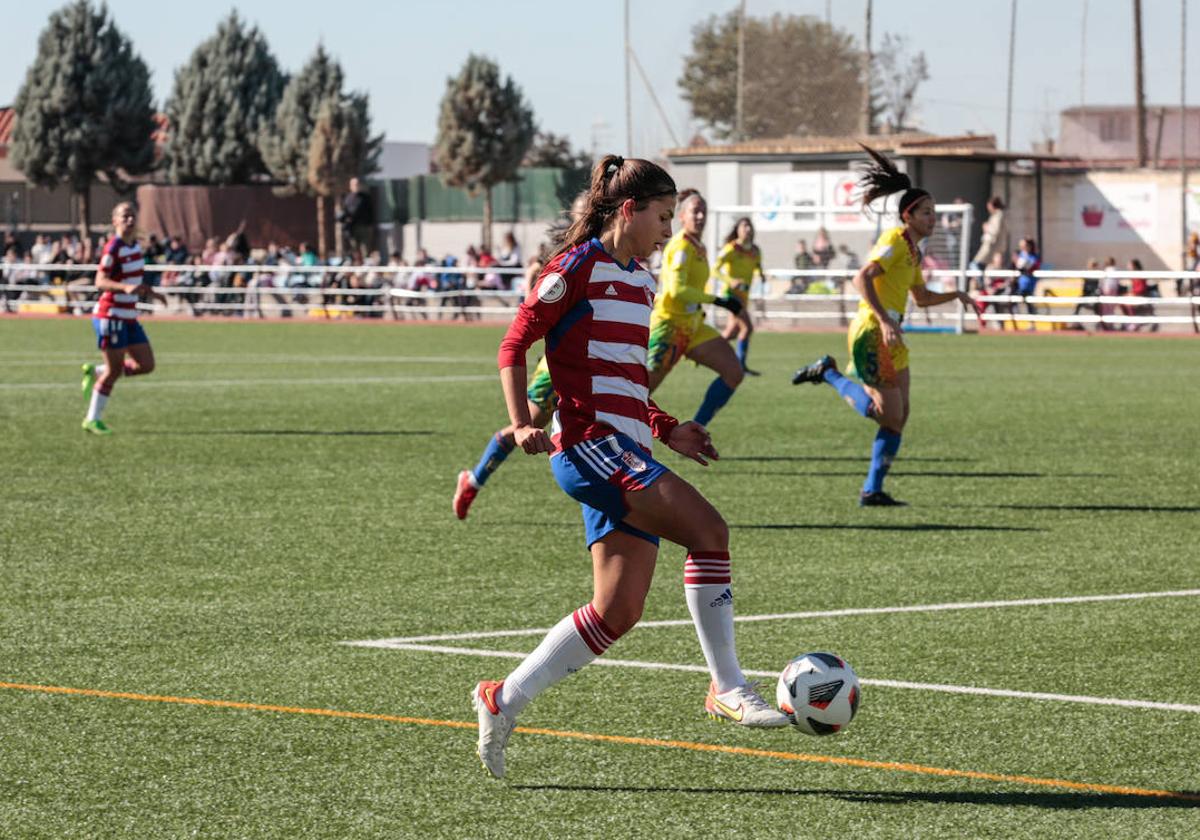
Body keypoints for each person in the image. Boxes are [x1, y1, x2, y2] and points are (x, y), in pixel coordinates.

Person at [471, 156, 787, 780]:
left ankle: (501, 698)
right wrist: (522, 422)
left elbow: (623, 381)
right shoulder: (574, 268)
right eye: (663, 217)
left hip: (629, 449)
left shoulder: (641, 281)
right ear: (628, 211)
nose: (668, 232)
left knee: (618, 610)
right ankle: (726, 686)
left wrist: (669, 430)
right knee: (710, 533)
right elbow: (514, 344)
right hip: (589, 447)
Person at [791, 145, 974, 506]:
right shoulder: (893, 240)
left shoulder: (913, 251)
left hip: (893, 334)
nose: (932, 219)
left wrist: (955, 295)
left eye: (933, 212)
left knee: (899, 417)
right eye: (926, 212)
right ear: (908, 215)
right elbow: (863, 278)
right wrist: (884, 318)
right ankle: (828, 373)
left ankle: (872, 490)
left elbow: (919, 297)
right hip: (873, 331)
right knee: (886, 415)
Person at [646, 189, 745, 427]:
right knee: (640, 392)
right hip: (669, 327)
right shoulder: (681, 246)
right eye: (695, 211)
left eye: (703, 211)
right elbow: (676, 291)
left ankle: (697, 429)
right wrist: (719, 301)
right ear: (682, 216)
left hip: (693, 326)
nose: (700, 216)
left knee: (734, 372)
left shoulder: (697, 246)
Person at [79, 202, 164, 435]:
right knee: (114, 371)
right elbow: (100, 282)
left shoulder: (135, 246)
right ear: (114, 220)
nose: (129, 220)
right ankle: (92, 419)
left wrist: (150, 291)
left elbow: (134, 281)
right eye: (124, 216)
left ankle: (97, 371)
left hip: (129, 317)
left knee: (146, 365)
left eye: (132, 216)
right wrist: (124, 287)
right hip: (111, 315)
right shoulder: (113, 248)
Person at [713, 217, 765, 375]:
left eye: (749, 226)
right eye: (744, 226)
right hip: (730, 294)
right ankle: (740, 366)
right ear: (738, 229)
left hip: (744, 296)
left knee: (732, 332)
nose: (747, 229)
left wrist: (761, 274)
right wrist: (730, 280)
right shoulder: (731, 248)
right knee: (747, 327)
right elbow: (714, 270)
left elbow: (757, 266)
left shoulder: (755, 250)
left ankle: (704, 350)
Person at [338, 177, 374, 255]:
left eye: (357, 184)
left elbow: (370, 212)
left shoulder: (365, 197)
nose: (356, 186)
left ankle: (366, 263)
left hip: (364, 226)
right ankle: (358, 263)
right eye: (354, 184)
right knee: (355, 248)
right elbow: (345, 211)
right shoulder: (348, 198)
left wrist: (370, 225)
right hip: (352, 227)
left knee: (365, 248)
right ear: (350, 186)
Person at [1014, 238, 1041, 318]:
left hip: (1029, 284)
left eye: (1024, 245)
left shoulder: (1034, 256)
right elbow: (1018, 266)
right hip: (1020, 283)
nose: (1022, 247)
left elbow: (1029, 266)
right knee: (1014, 299)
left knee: (1029, 302)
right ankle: (1017, 317)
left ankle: (1033, 321)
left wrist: (1023, 264)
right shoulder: (1021, 254)